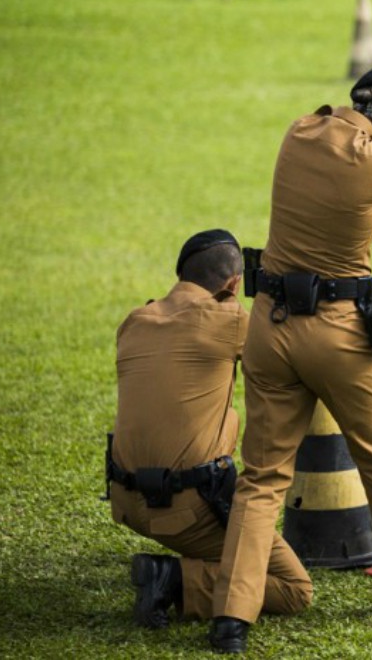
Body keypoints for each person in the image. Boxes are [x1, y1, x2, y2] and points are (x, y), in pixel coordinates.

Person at [209, 65, 372, 654]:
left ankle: (231, 615)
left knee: (260, 479)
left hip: (269, 325)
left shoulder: (301, 130)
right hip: (338, 336)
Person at [108, 229, 313, 630]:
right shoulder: (229, 319)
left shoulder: (134, 321)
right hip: (187, 510)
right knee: (293, 587)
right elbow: (296, 358)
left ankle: (180, 570)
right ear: (234, 284)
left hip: (126, 502)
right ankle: (174, 579)